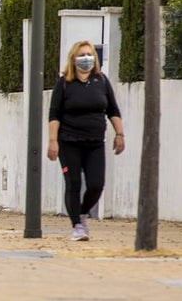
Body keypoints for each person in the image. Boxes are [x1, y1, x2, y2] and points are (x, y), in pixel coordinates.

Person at [47, 40, 126, 241]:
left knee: (96, 184)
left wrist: (119, 134)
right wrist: (53, 141)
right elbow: (54, 114)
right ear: (73, 59)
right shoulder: (64, 83)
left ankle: (81, 213)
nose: (86, 59)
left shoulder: (101, 81)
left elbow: (113, 110)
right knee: (73, 182)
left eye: (89, 54)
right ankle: (77, 226)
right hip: (68, 142)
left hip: (95, 142)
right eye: (81, 55)